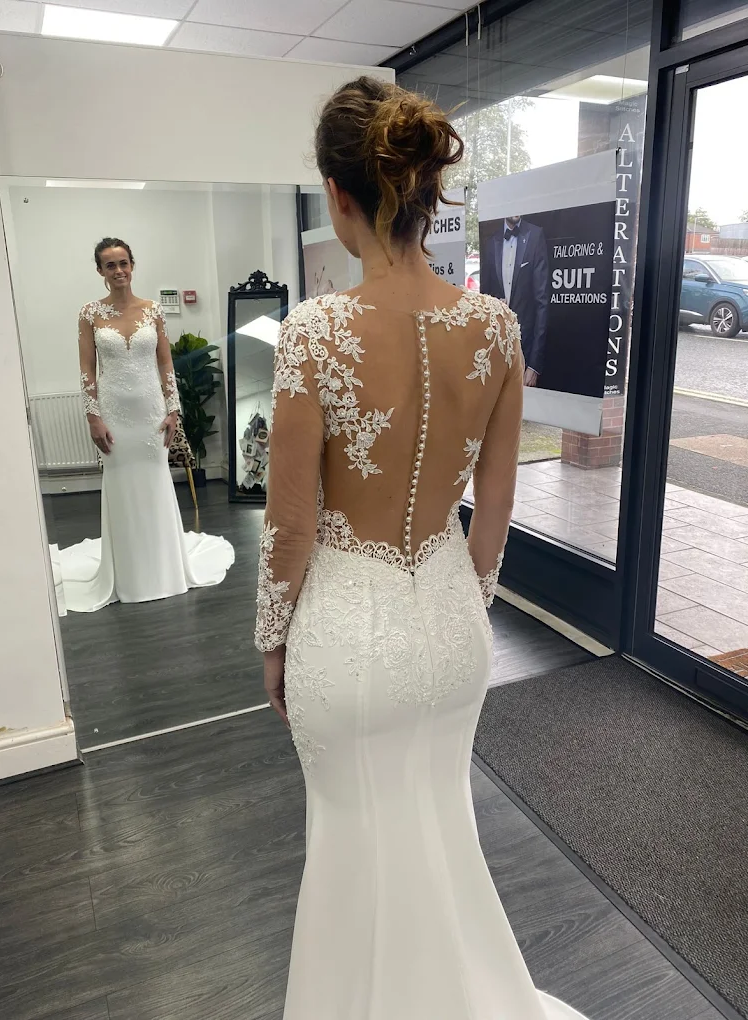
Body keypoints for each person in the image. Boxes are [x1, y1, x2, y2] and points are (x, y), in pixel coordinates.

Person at [255, 78, 588, 1019]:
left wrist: (271, 644)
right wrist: (454, 609)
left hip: (346, 634)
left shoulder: (313, 332)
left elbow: (287, 525)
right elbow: (494, 513)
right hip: (449, 625)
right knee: (438, 829)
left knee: (357, 841)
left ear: (339, 194)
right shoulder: (494, 328)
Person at [57, 237, 234, 612]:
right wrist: (93, 416)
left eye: (124, 263)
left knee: (155, 486)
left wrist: (173, 409)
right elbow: (87, 368)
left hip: (151, 414)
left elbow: (166, 363)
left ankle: (165, 570)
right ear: (100, 272)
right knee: (122, 487)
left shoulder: (153, 310)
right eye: (110, 265)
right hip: (114, 414)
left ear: (132, 266)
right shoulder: (89, 314)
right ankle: (130, 575)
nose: (119, 270)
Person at [480, 214, 549, 386]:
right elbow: (484, 298)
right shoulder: (491, 243)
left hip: (525, 349)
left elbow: (542, 303)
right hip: (496, 349)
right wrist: (495, 303)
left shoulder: (535, 236)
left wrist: (534, 365)